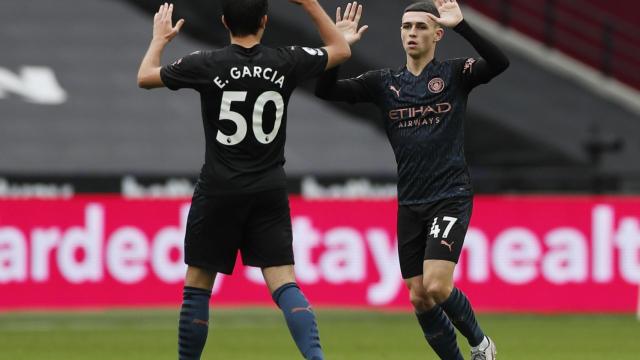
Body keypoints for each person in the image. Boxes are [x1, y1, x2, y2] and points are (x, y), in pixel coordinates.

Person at [137, 1, 351, 359]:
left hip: (218, 189)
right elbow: (341, 50)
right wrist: (310, 4)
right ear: (265, 21)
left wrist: (160, 39)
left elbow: (145, 77)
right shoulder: (286, 60)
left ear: (224, 22)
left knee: (198, 286)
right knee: (284, 281)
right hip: (268, 189)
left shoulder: (205, 63)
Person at [315, 1, 509, 359]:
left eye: (420, 27)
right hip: (411, 201)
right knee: (419, 296)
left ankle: (481, 345)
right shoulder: (383, 83)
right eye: (406, 27)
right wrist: (338, 51)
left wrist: (462, 26)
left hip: (450, 194)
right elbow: (326, 91)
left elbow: (499, 63)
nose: (412, 33)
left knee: (437, 284)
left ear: (437, 34)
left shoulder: (454, 74)